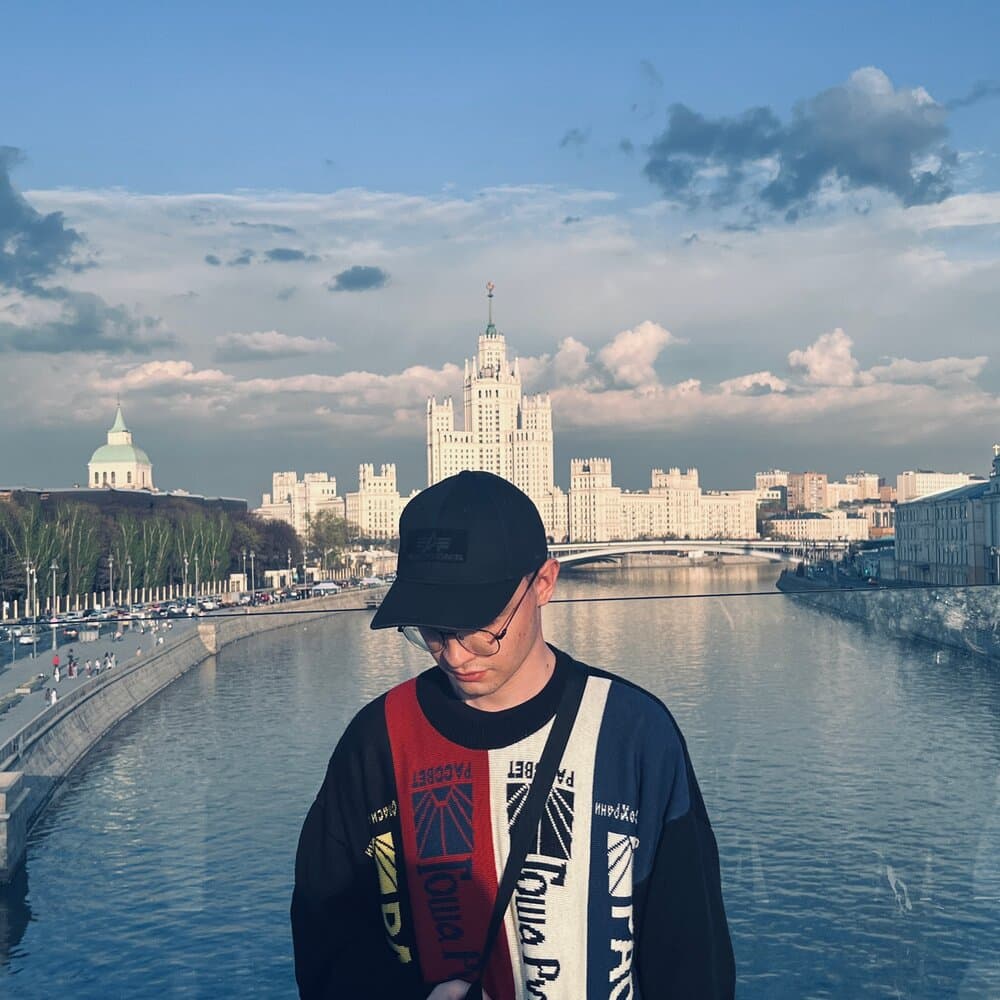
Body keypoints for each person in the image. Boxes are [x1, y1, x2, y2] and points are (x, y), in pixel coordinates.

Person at [291, 471, 734, 999]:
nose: (455, 654)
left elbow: (693, 957)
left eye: (481, 625)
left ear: (544, 583)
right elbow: (326, 939)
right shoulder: (377, 742)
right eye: (432, 630)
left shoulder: (635, 734)